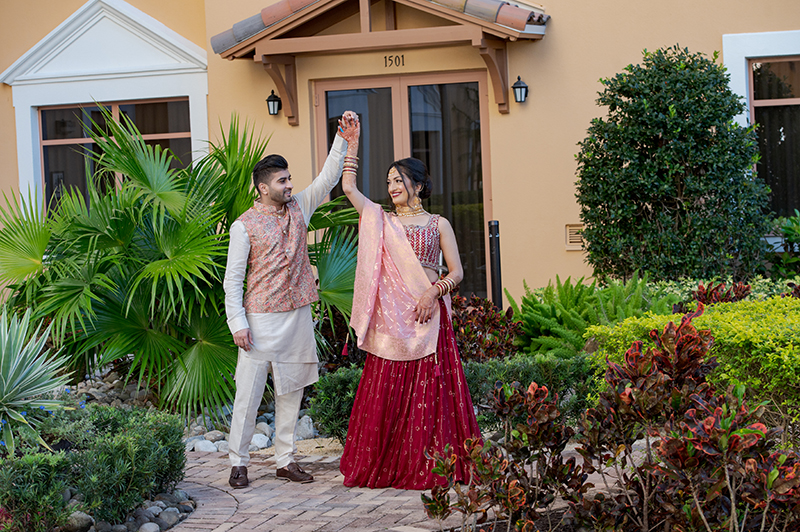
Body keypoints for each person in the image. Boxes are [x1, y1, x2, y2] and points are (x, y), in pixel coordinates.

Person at [223, 111, 360, 488]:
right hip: (259, 320)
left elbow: (327, 177)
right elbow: (232, 279)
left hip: (298, 315)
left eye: (289, 179)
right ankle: (239, 462)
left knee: (292, 391)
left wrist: (342, 139)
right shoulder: (243, 225)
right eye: (282, 180)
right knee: (247, 396)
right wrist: (238, 323)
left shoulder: (301, 206)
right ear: (263, 187)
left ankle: (285, 460)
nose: (289, 184)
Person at [339, 157, 481, 490]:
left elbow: (457, 272)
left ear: (417, 185)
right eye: (389, 182)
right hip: (393, 319)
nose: (392, 188)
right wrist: (352, 145)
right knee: (387, 390)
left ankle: (434, 463)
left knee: (433, 391)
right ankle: (388, 464)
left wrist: (432, 293)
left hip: (429, 316)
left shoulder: (438, 223)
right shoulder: (382, 220)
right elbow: (348, 188)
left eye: (399, 181)